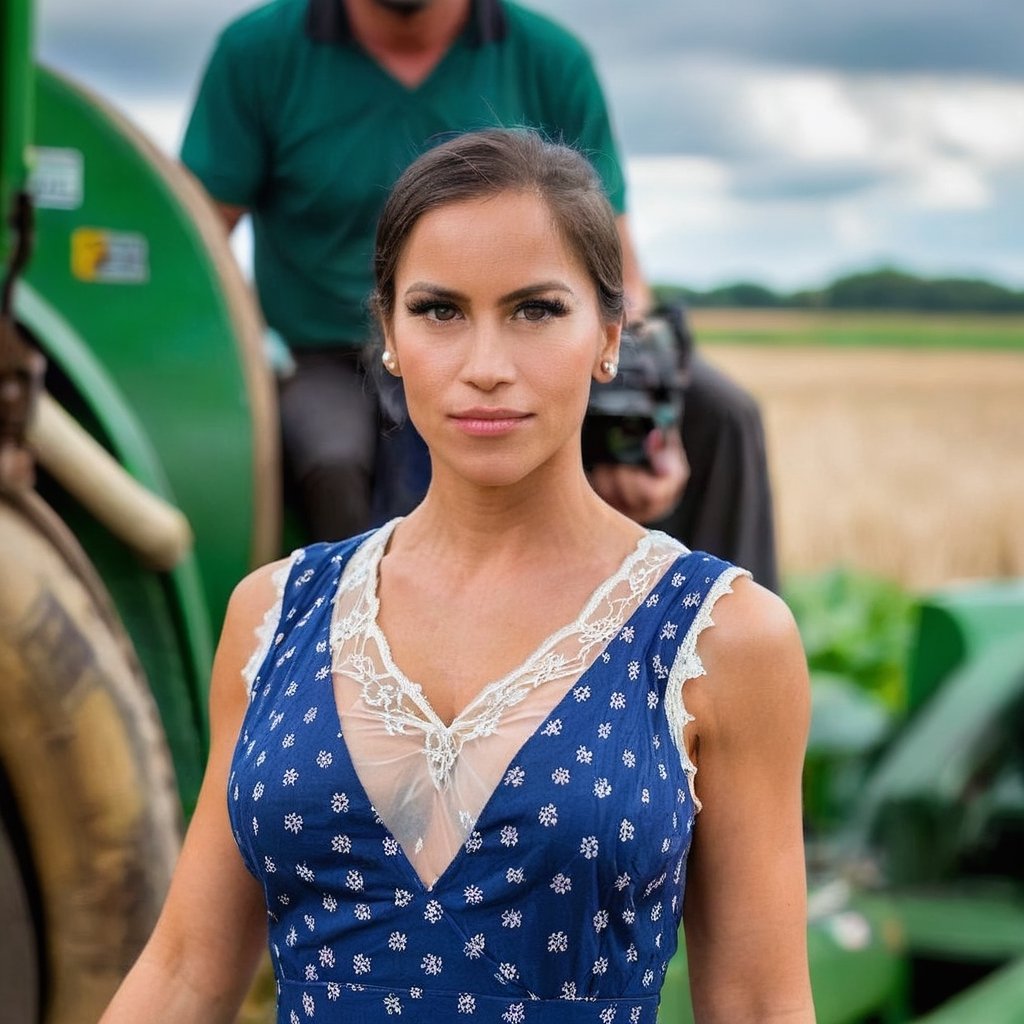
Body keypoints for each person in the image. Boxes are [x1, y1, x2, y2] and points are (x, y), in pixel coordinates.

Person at [102, 128, 811, 1024]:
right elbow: (186, 972)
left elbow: (756, 1004)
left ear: (610, 334)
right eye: (439, 310)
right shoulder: (273, 616)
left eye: (536, 310)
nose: (486, 367)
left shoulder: (720, 640)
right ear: (389, 335)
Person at [179, 0, 778, 588]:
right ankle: (354, 643)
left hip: (526, 326)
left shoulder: (549, 57)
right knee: (332, 458)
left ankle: (712, 635)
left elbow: (617, 267)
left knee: (723, 414)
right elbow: (193, 241)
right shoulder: (258, 53)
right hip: (327, 352)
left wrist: (648, 415)